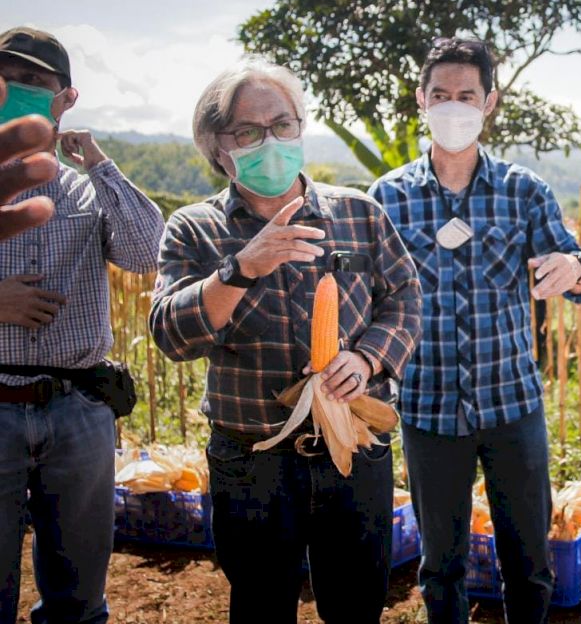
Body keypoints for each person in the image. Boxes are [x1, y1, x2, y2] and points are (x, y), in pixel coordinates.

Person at [149, 57, 422, 624]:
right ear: (217, 147)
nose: (269, 141)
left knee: (356, 605)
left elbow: (404, 298)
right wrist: (240, 269)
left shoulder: (358, 215)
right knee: (261, 604)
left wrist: (369, 356)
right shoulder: (195, 229)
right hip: (252, 459)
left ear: (301, 126)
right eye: (247, 132)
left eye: (282, 124)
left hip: (352, 445)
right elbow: (172, 335)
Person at [369, 37, 581, 624]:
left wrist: (575, 268)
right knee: (439, 568)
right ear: (421, 101)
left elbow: (576, 265)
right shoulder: (387, 199)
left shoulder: (523, 191)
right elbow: (364, 299)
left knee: (528, 562)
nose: (453, 106)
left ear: (489, 102)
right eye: (440, 94)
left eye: (466, 95)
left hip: (513, 406)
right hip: (427, 408)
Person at [0, 27, 164, 624]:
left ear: (66, 99)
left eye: (35, 82)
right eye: (6, 80)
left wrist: (98, 163)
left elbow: (147, 254)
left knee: (79, 599)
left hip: (79, 408)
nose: (16, 90)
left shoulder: (85, 189)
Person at [0, 76, 59, 240]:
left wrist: (98, 163)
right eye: (3, 77)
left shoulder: (88, 191)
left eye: (32, 79)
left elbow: (135, 254)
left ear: (67, 98)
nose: (12, 90)